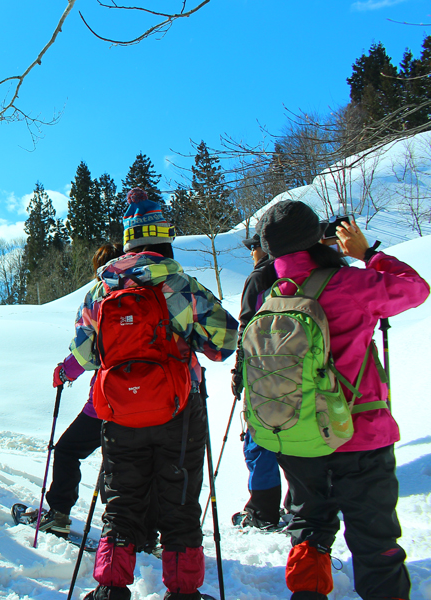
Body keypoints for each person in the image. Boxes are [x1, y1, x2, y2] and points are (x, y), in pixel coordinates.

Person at [256, 200, 428, 600]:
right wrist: (368, 255)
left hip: (297, 436)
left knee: (309, 527)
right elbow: (416, 289)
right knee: (374, 537)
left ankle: (309, 592)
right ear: (317, 237)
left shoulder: (274, 296)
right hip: (359, 434)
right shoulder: (349, 284)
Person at [72, 189, 238, 600]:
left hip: (119, 413)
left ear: (128, 238)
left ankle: (110, 587)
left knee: (121, 499)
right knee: (179, 500)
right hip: (178, 410)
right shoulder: (178, 284)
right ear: (164, 236)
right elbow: (225, 339)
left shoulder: (101, 291)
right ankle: (183, 591)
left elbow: (84, 354)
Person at [24, 243, 159, 552]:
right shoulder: (154, 288)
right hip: (154, 399)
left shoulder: (99, 295)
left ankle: (58, 514)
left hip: (108, 400)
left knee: (68, 451)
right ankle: (146, 534)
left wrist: (64, 372)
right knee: (137, 467)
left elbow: (87, 350)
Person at [230, 233, 285, 531]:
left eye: (253, 247)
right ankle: (299, 503)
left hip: (264, 370)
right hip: (304, 367)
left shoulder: (260, 276)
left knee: (258, 440)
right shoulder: (300, 270)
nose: (251, 253)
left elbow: (246, 327)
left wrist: (239, 371)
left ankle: (263, 511)